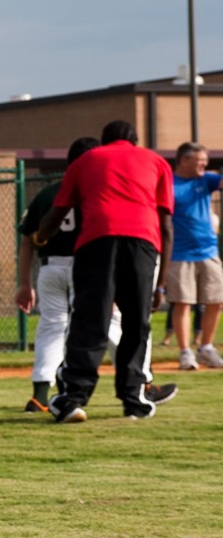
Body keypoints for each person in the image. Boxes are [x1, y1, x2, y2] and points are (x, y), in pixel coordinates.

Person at [34, 120, 174, 422]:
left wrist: (41, 236)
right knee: (136, 321)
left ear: (104, 139)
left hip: (97, 241)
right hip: (143, 243)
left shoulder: (87, 160)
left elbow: (58, 211)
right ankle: (134, 398)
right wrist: (161, 283)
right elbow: (166, 226)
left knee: (91, 319)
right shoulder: (156, 162)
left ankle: (72, 399)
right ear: (135, 140)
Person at [15, 138, 127, 412]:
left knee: (52, 327)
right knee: (109, 322)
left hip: (50, 267)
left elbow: (28, 239)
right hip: (86, 266)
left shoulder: (47, 193)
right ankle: (139, 382)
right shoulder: (97, 192)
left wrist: (25, 283)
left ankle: (40, 393)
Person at [166, 142, 223, 370]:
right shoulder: (169, 183)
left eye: (205, 161)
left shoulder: (206, 180)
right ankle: (185, 352)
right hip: (180, 253)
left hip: (208, 251)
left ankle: (206, 348)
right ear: (183, 160)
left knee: (216, 301)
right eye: (199, 160)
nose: (204, 165)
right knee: (183, 303)